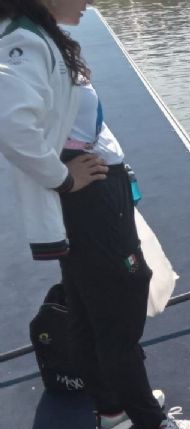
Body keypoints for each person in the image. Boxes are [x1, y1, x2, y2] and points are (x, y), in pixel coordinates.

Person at [59, 78, 190, 429]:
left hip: (96, 191)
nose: (83, 11)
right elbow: (13, 129)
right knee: (120, 307)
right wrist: (60, 177)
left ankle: (114, 410)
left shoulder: (39, 39)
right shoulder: (24, 48)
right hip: (90, 197)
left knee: (88, 306)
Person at [1, 0, 105, 260]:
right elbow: (12, 125)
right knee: (117, 286)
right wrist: (63, 179)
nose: (91, 2)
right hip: (57, 191)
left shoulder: (35, 34)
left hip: (60, 191)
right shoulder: (23, 40)